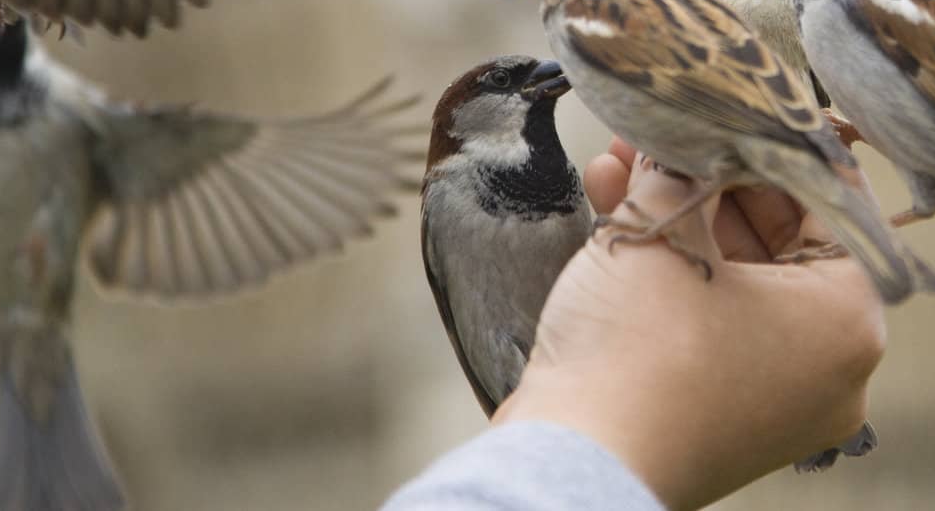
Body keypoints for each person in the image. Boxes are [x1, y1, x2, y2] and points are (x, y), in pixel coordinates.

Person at [381, 140, 889, 511]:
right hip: (518, 373)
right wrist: (634, 431)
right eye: (502, 82)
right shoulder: (446, 198)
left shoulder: (557, 168)